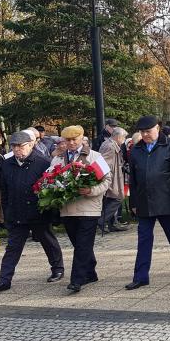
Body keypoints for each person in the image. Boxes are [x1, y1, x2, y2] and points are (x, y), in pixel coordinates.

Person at [0, 132, 64, 292]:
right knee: (13, 248)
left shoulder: (42, 163)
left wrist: (52, 213)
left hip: (38, 212)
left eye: (20, 146)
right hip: (16, 213)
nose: (17, 150)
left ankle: (58, 268)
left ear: (31, 145)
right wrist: (6, 213)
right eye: (14, 147)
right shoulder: (6, 164)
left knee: (47, 240)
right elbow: (5, 192)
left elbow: (50, 189)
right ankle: (4, 280)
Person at [125, 116, 170, 290]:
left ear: (158, 128)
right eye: (142, 132)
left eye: (148, 131)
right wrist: (133, 201)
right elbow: (133, 179)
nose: (145, 134)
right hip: (144, 201)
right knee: (144, 239)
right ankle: (141, 276)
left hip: (167, 200)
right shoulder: (136, 150)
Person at [50, 125, 112, 292]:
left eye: (74, 139)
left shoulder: (94, 156)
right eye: (67, 140)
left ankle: (77, 279)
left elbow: (107, 180)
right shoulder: (58, 159)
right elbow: (49, 179)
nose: (71, 143)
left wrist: (91, 190)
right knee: (79, 244)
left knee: (83, 244)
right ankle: (90, 272)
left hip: (89, 208)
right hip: (67, 209)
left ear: (81, 138)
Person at [98, 126, 128, 233]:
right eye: (124, 138)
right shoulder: (110, 146)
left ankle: (111, 223)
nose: (124, 141)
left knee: (112, 199)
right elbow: (104, 163)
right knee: (117, 198)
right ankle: (102, 221)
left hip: (114, 176)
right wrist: (107, 179)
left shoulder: (110, 144)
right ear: (118, 137)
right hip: (111, 178)